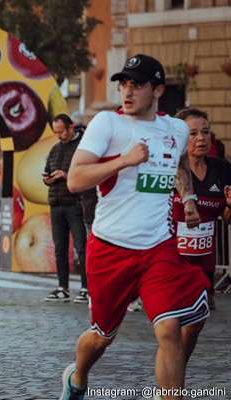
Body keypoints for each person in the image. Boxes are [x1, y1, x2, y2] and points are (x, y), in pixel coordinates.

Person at [60, 54, 210, 400]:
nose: (127, 92)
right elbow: (76, 179)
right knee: (101, 336)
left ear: (157, 89)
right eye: (123, 84)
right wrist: (124, 160)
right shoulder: (107, 124)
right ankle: (77, 375)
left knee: (171, 327)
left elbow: (181, 164)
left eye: (137, 84)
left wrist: (187, 200)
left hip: (157, 247)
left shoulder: (174, 128)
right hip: (110, 248)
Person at [172, 107, 231, 311]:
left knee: (197, 322)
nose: (201, 138)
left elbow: (227, 218)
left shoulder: (222, 169)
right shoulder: (169, 168)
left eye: (205, 132)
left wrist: (230, 204)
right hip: (171, 265)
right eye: (193, 133)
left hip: (205, 267)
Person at [42, 114, 89, 304]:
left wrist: (65, 174)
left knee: (82, 247)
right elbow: (46, 171)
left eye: (61, 131)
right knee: (60, 248)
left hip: (75, 204)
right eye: (56, 132)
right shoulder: (55, 149)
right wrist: (48, 179)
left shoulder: (83, 148)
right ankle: (63, 288)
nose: (59, 135)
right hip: (56, 204)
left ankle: (86, 288)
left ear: (71, 127)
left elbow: (86, 174)